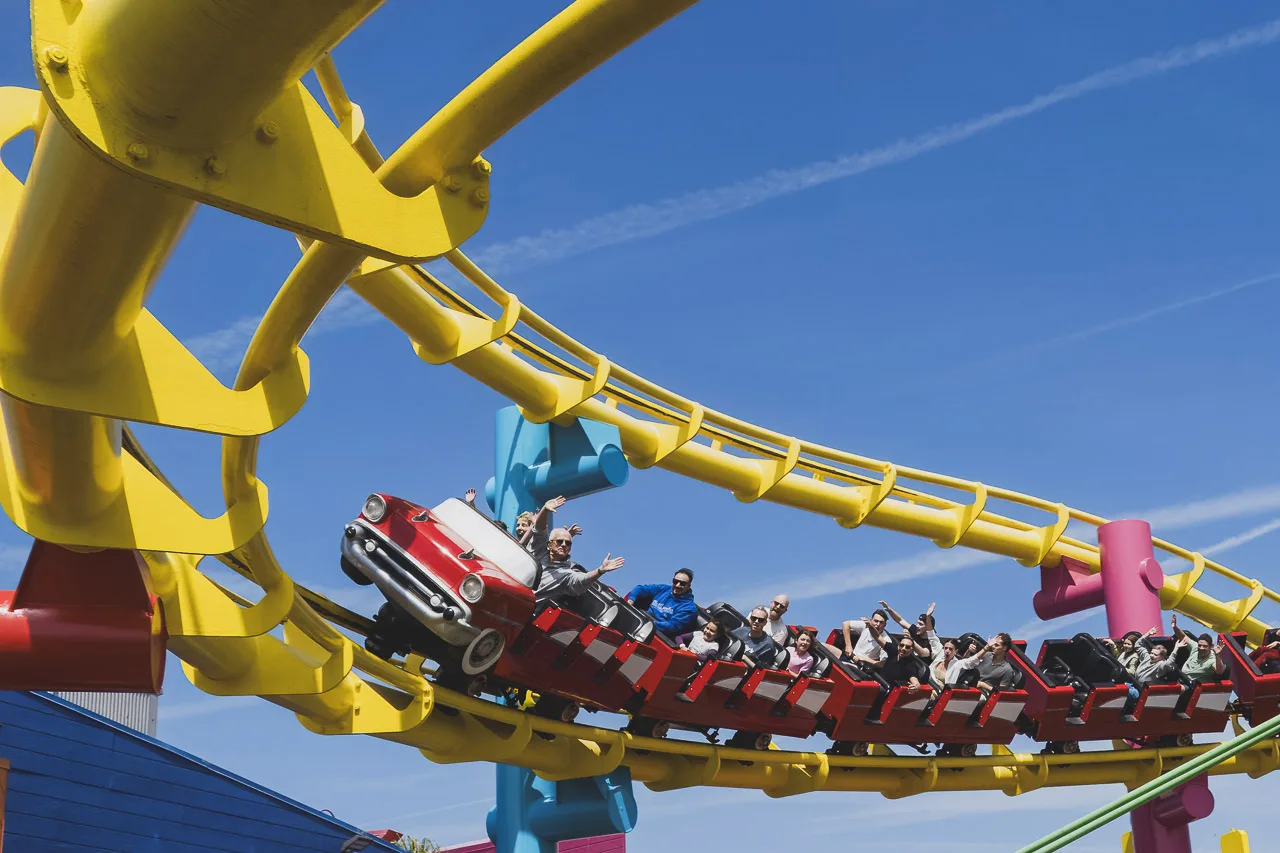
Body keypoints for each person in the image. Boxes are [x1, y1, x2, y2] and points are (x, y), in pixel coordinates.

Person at [535, 527, 625, 605]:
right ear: (549, 545)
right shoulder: (539, 552)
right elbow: (538, 531)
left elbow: (583, 579)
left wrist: (600, 570)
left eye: (568, 543)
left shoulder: (567, 574)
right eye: (559, 541)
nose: (564, 545)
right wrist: (545, 510)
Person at [625, 569, 698, 638]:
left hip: (658, 634)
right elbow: (640, 588)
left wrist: (647, 623)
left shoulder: (689, 608)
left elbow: (671, 626)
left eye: (682, 583)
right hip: (642, 622)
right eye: (675, 581)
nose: (677, 585)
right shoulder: (663, 589)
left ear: (689, 586)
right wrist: (630, 601)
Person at [950, 633, 1017, 694]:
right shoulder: (987, 655)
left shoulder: (1007, 670)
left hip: (983, 693)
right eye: (993, 644)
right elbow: (967, 663)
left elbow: (1001, 692)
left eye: (996, 645)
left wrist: (983, 685)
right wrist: (969, 651)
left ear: (1004, 648)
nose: (993, 646)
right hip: (969, 685)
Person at [1171, 614, 1226, 684]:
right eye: (1199, 645)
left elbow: (1219, 671)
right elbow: (1183, 637)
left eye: (1205, 646)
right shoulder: (1195, 647)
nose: (1201, 648)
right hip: (1180, 679)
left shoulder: (1212, 659)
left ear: (1211, 646)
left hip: (1192, 687)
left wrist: (1217, 654)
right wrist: (1174, 627)